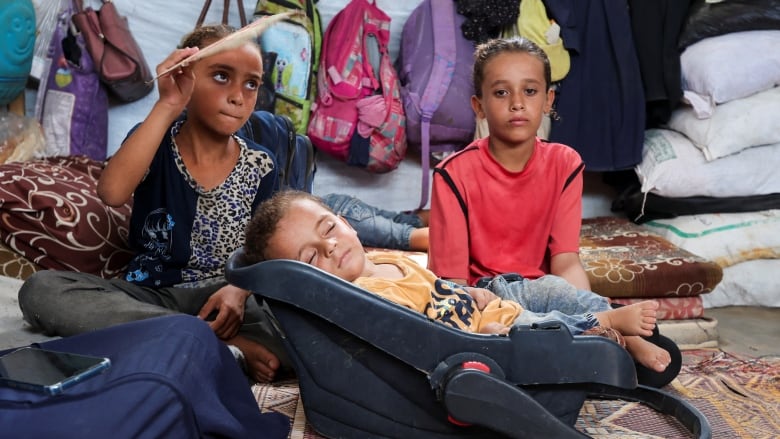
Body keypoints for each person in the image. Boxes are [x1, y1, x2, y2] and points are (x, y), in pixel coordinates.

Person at [18, 25, 286, 383]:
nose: (238, 95)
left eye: (251, 83)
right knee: (42, 292)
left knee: (300, 332)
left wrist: (239, 290)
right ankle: (204, 339)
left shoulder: (262, 164)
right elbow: (111, 193)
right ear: (183, 76)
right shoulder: (155, 142)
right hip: (152, 296)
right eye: (221, 76)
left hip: (228, 300)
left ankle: (179, 338)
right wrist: (168, 103)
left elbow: (268, 250)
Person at [426, 37, 679, 386]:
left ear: (548, 100)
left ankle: (620, 336)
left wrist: (588, 302)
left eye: (530, 91)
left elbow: (566, 261)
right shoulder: (452, 175)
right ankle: (594, 336)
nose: (517, 104)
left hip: (541, 289)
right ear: (478, 105)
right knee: (521, 327)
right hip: (486, 296)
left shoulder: (565, 163)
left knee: (562, 297)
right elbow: (450, 284)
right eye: (501, 93)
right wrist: (476, 314)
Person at [242, 191, 665, 360]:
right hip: (480, 334)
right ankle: (608, 328)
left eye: (329, 229)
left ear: (346, 222)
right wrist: (483, 330)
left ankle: (610, 320)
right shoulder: (364, 299)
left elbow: (436, 291)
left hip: (482, 303)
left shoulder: (393, 261)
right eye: (312, 258)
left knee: (551, 288)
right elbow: (421, 334)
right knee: (534, 328)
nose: (331, 248)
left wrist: (470, 295)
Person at [320, 193, 429, 251]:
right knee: (406, 222)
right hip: (332, 202)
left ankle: (446, 239)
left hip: (338, 213)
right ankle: (445, 218)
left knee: (405, 237)